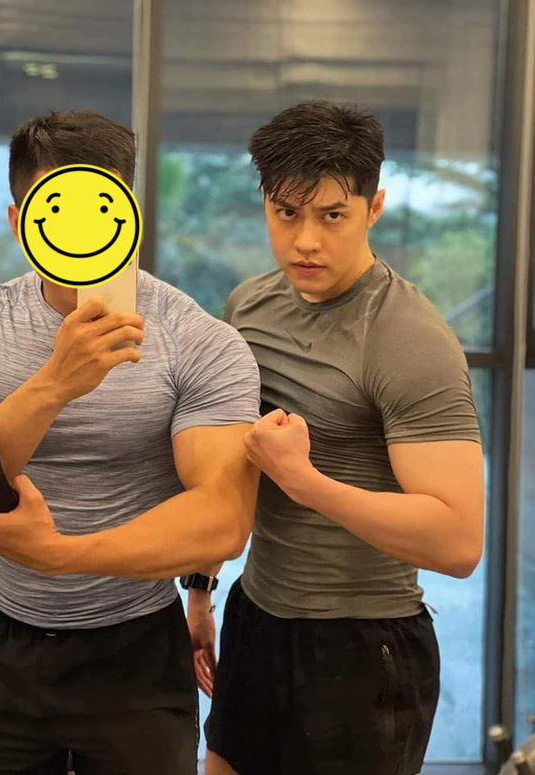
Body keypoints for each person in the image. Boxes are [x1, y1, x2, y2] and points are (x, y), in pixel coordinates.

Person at [0, 110, 260, 775]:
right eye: (58, 211)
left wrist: (63, 556)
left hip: (137, 647)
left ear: (128, 214)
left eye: (97, 210)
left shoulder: (199, 340)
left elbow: (222, 519)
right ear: (19, 221)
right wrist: (55, 383)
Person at [187, 101, 485, 775]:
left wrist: (306, 482)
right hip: (258, 618)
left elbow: (459, 541)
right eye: (286, 213)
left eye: (331, 216)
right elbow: (234, 465)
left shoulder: (407, 337)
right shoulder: (249, 306)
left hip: (364, 643)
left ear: (373, 208)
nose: (305, 241)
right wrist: (199, 587)